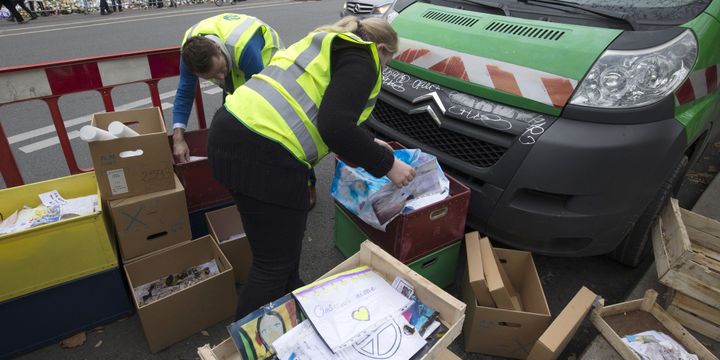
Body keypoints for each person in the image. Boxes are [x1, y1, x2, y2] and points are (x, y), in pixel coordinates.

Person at [208, 16, 416, 319]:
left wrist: (371, 144)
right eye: (388, 61)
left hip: (230, 135)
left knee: (279, 250)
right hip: (266, 156)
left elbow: (323, 107)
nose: (384, 67)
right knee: (272, 265)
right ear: (381, 48)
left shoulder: (327, 43)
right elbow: (335, 127)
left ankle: (295, 314)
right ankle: (244, 346)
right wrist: (388, 165)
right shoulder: (364, 59)